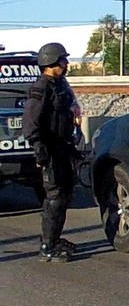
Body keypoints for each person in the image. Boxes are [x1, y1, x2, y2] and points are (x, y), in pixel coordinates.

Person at [21, 42, 81, 263]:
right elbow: (31, 122)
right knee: (54, 196)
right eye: (62, 60)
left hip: (63, 147)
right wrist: (39, 151)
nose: (66, 64)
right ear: (51, 63)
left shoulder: (59, 84)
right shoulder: (42, 88)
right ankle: (47, 246)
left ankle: (54, 239)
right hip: (50, 149)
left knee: (64, 195)